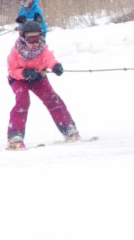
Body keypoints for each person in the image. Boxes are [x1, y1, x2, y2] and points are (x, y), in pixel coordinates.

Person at [5, 20, 79, 150]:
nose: (35, 43)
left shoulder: (42, 49)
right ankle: (14, 137)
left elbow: (49, 59)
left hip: (37, 77)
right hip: (18, 79)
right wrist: (24, 73)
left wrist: (55, 66)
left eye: (37, 39)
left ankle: (68, 129)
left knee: (52, 98)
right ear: (23, 38)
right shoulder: (15, 52)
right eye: (31, 40)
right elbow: (12, 71)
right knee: (23, 101)